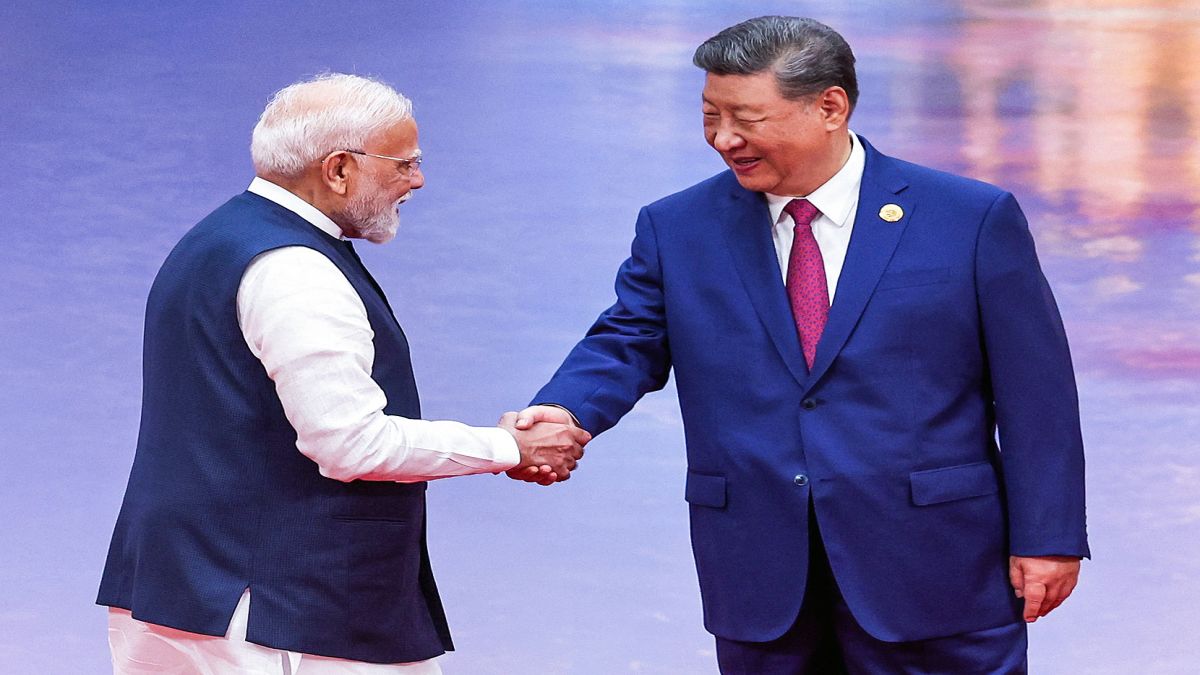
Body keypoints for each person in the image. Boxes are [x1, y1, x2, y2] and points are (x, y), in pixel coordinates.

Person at [512, 16, 1088, 673]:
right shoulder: (678, 227)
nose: (724, 138)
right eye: (710, 115)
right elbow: (628, 337)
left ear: (829, 106)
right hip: (762, 578)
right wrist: (564, 410)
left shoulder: (968, 217)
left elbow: (1035, 393)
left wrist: (1050, 536)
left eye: (746, 117)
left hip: (937, 569)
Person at [97, 73, 588, 674]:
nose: (418, 180)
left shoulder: (221, 238)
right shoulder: (296, 269)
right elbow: (349, 443)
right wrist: (508, 446)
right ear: (338, 170)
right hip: (279, 615)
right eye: (404, 163)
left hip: (188, 590)